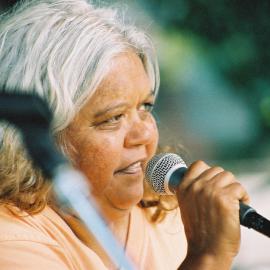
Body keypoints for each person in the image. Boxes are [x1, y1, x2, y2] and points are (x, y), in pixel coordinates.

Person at [0, 0, 250, 269]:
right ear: (35, 136)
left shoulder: (169, 211)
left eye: (146, 107)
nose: (145, 133)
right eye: (113, 118)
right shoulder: (12, 241)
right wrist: (207, 256)